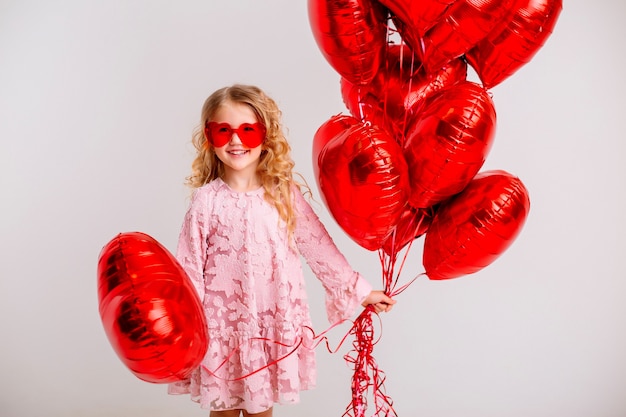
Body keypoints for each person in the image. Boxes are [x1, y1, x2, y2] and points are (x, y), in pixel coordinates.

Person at [168, 84, 395, 417]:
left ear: (266, 135)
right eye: (224, 131)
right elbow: (188, 267)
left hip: (267, 325)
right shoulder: (206, 202)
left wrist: (357, 290)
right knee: (223, 412)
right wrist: (184, 328)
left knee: (262, 411)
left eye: (247, 130)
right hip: (222, 330)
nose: (235, 141)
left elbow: (317, 245)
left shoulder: (282, 194)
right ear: (208, 136)